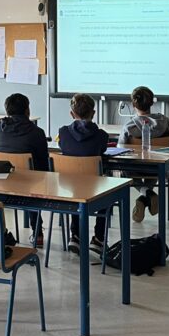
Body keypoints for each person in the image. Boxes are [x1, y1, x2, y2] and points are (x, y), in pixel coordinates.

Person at [0, 93, 49, 244]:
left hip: (1, 182)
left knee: (27, 178)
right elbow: (44, 163)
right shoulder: (37, 132)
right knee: (32, 179)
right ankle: (37, 233)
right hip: (29, 186)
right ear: (27, 110)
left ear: (7, 110)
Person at [117, 86, 169, 223]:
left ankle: (146, 194)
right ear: (152, 102)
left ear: (133, 104)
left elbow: (119, 151)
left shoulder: (129, 126)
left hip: (135, 168)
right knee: (157, 166)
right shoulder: (166, 122)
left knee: (124, 170)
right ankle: (146, 196)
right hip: (158, 168)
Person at [57, 93, 110, 254]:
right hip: (95, 187)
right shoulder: (102, 135)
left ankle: (75, 236)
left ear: (71, 114)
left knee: (76, 186)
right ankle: (99, 238)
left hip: (67, 187)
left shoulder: (63, 133)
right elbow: (102, 150)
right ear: (93, 113)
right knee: (110, 191)